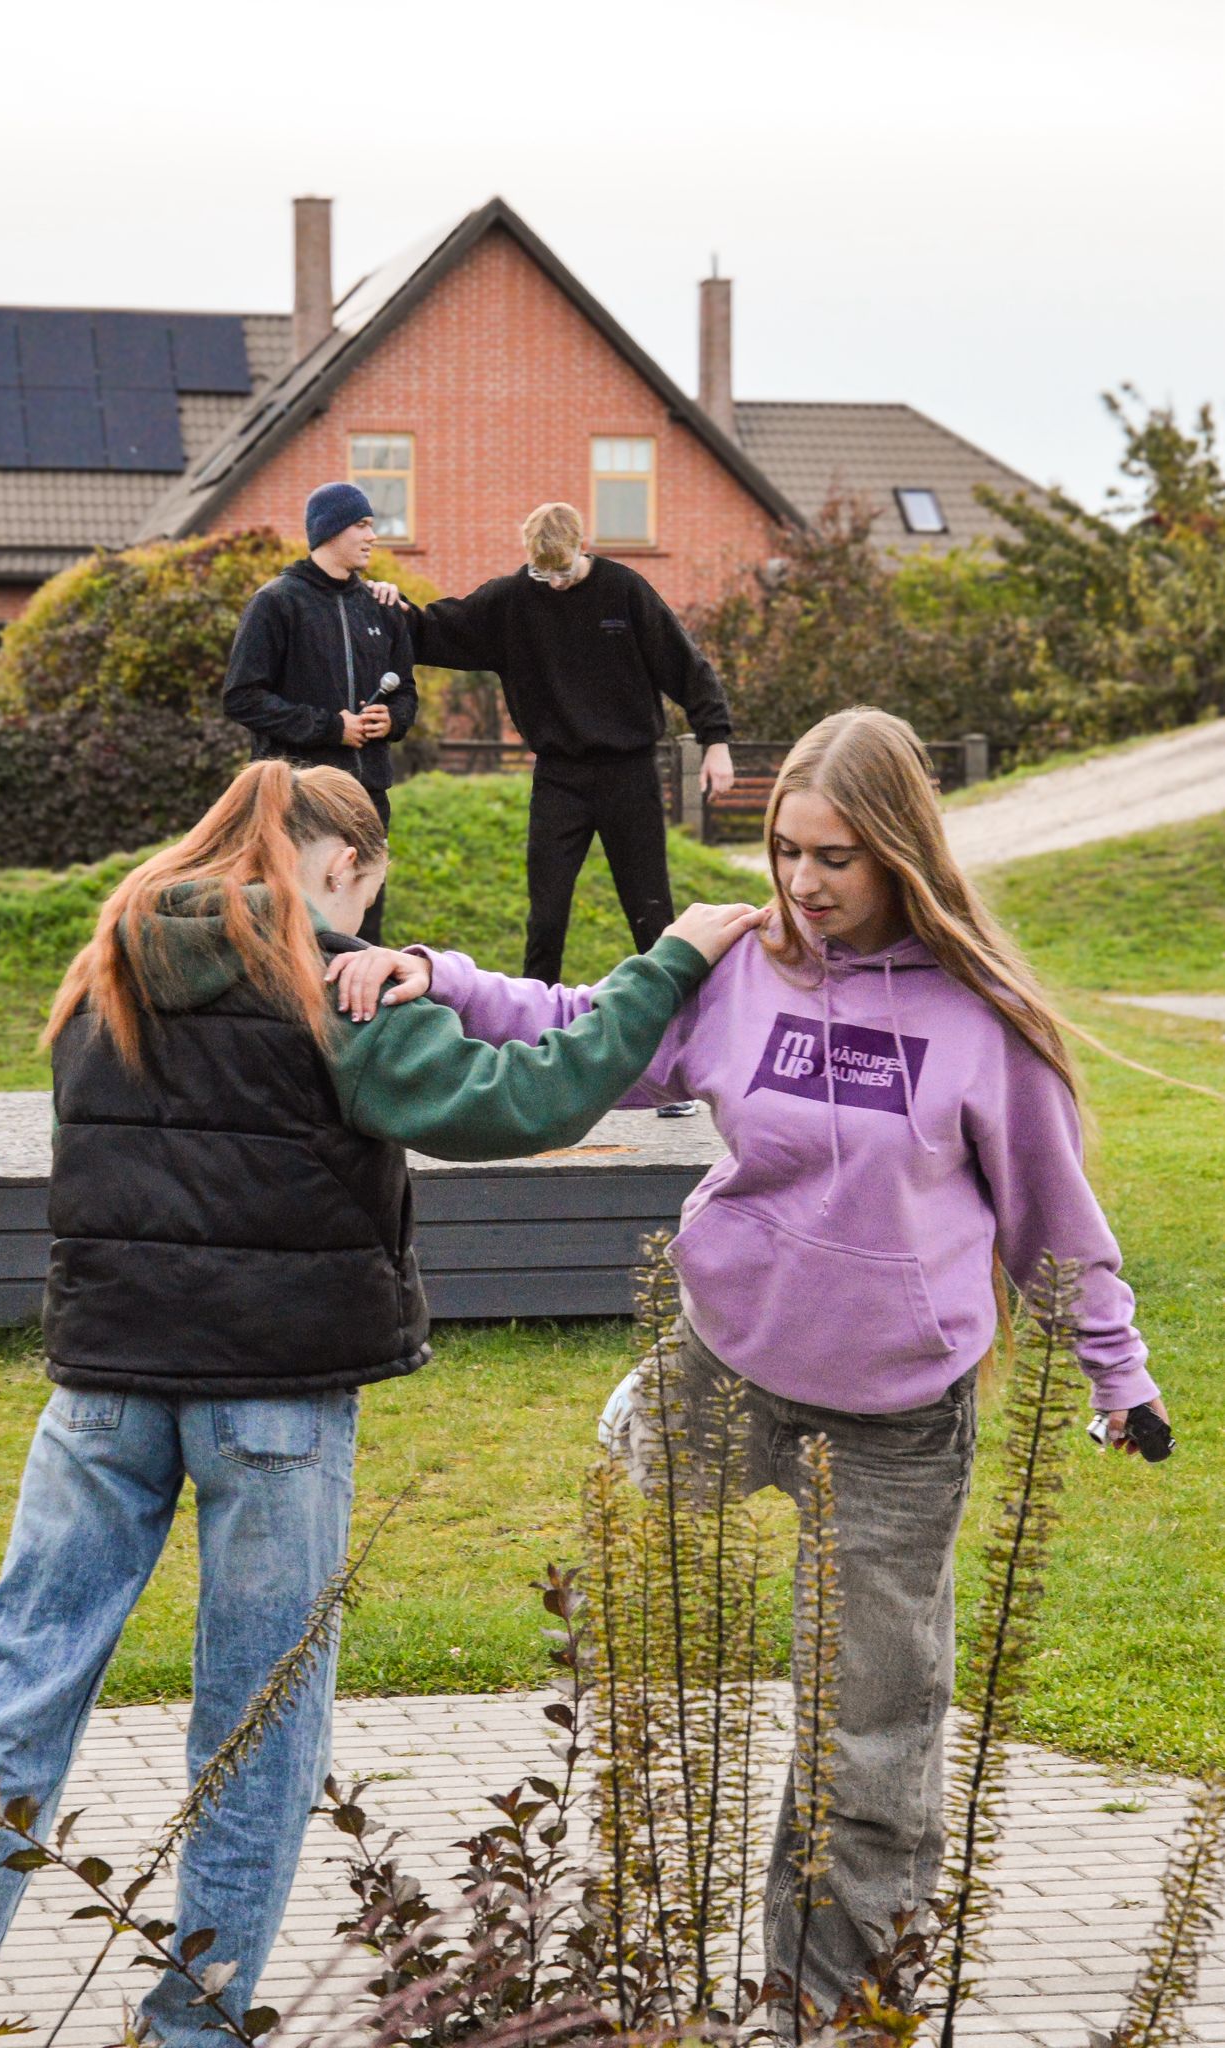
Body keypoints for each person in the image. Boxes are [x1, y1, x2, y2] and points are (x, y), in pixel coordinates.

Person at [0, 762, 763, 2048]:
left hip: (101, 1388)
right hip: (272, 1402)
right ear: (339, 862)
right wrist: (665, 961)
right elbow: (533, 1098)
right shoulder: (325, 984)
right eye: (362, 895)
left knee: (16, 1672)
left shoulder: (110, 956)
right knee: (257, 1718)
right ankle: (195, 2023)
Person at [328, 705, 1173, 2028]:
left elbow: (1056, 1228)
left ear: (900, 851)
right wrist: (437, 972)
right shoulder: (742, 966)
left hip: (894, 1417)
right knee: (645, 1628)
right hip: (725, 1360)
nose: (801, 882)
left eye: (834, 856)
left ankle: (822, 2011)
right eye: (786, 849)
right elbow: (584, 1023)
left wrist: (1116, 1380)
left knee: (866, 1748)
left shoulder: (979, 1025)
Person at [369, 501, 735, 1020]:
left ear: (582, 548)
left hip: (628, 771)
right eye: (543, 572)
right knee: (546, 915)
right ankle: (531, 1029)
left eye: (562, 571)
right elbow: (435, 630)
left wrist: (715, 739)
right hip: (559, 776)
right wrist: (392, 607)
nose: (555, 583)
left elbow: (685, 666)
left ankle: (671, 1033)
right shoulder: (513, 600)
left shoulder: (624, 591)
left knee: (650, 909)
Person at [222, 481, 418, 942]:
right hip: (298, 798)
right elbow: (242, 697)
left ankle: (359, 1012)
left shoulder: (381, 606)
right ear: (329, 530)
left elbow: (406, 691)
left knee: (364, 930)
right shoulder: (275, 603)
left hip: (368, 797)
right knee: (293, 926)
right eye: (362, 525)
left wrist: (393, 720)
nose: (373, 536)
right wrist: (330, 728)